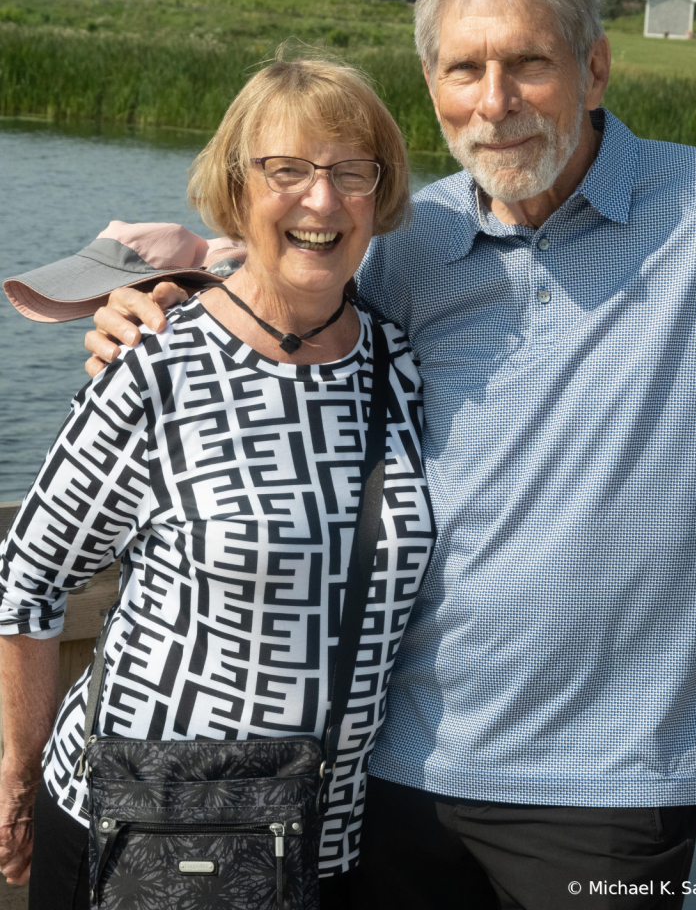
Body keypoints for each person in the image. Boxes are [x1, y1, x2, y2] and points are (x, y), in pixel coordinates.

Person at [40, 0, 696, 910]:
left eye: (529, 63)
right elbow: (271, 294)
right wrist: (152, 304)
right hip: (386, 775)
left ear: (596, 68)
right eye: (462, 70)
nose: (495, 103)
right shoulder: (406, 239)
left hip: (614, 790)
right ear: (429, 83)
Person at [0, 59, 435, 909]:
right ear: (236, 192)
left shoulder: (400, 364)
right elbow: (27, 577)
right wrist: (15, 778)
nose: (322, 200)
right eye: (288, 171)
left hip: (326, 835)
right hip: (139, 826)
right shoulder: (158, 365)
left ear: (379, 196)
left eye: (352, 171)